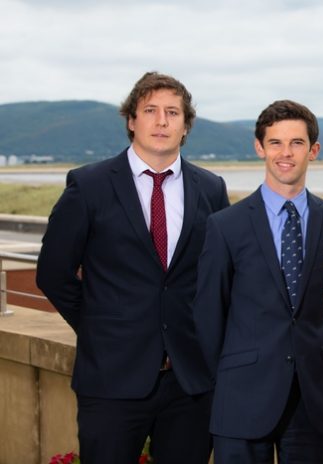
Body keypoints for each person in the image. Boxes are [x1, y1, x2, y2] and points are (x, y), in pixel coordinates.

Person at [36, 72, 230, 464]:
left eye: (172, 112)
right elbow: (53, 273)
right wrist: (99, 328)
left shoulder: (211, 188)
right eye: (150, 110)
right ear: (131, 120)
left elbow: (221, 276)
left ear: (185, 125)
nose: (161, 121)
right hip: (111, 379)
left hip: (190, 382)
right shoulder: (89, 185)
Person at [193, 100, 323, 464]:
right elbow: (208, 314)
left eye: (296, 143)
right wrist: (231, 378)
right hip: (241, 398)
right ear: (259, 148)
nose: (285, 153)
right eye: (275, 142)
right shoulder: (226, 226)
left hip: (312, 399)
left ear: (314, 150)